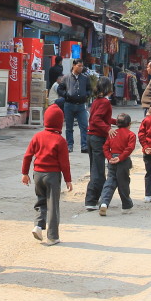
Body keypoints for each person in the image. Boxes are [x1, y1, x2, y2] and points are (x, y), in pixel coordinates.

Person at [22, 104, 73, 245]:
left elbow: (27, 156)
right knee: (53, 205)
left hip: (37, 174)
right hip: (52, 175)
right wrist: (68, 179)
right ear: (60, 122)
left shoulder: (37, 136)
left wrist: (25, 173)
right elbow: (64, 163)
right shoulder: (60, 141)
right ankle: (52, 236)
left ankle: (38, 226)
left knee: (41, 200)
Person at [85, 78, 115, 210]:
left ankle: (97, 197)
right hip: (97, 137)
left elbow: (102, 117)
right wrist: (108, 129)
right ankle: (91, 200)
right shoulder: (105, 102)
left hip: (91, 136)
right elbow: (96, 119)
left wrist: (116, 122)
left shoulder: (97, 101)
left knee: (96, 168)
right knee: (97, 170)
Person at [98, 113, 136, 215]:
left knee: (110, 181)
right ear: (129, 124)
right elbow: (129, 148)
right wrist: (120, 158)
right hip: (123, 160)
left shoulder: (112, 133)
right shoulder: (131, 135)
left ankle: (104, 203)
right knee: (123, 183)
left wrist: (110, 158)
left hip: (112, 159)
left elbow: (105, 147)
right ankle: (126, 206)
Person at [58, 59, 91, 153]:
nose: (81, 68)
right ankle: (69, 145)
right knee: (69, 127)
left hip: (81, 105)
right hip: (69, 105)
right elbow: (60, 89)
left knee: (84, 126)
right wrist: (66, 95)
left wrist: (86, 95)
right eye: (79, 66)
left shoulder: (85, 78)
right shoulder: (66, 77)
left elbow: (89, 89)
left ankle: (84, 145)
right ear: (74, 65)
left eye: (82, 66)